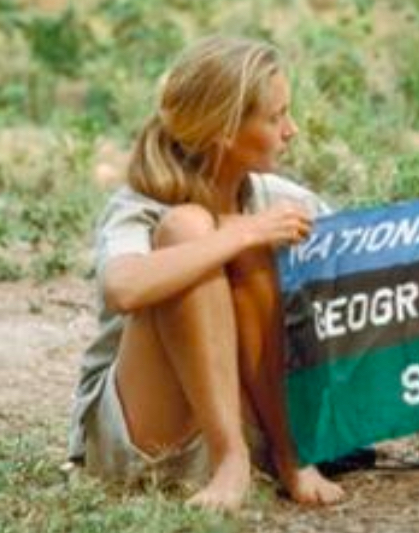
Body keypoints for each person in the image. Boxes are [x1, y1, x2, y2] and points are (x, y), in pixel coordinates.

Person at [67, 35, 345, 511]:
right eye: (276, 117)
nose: (291, 130)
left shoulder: (271, 196)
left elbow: (359, 258)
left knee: (249, 238)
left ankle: (289, 455)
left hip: (247, 408)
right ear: (224, 130)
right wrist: (237, 233)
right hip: (142, 433)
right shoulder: (139, 204)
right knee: (189, 229)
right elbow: (123, 288)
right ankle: (229, 458)